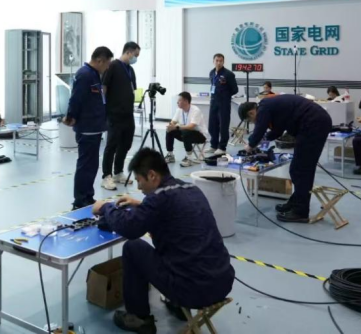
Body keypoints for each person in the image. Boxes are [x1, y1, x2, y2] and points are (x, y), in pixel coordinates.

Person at [93, 148, 234, 334]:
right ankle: (177, 306)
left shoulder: (159, 199)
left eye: (139, 180)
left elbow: (129, 228)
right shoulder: (191, 189)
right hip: (222, 282)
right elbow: (172, 213)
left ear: (152, 175)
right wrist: (140, 204)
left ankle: (139, 318)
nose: (139, 187)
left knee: (133, 247)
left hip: (192, 291)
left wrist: (105, 208)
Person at [239, 95, 332, 222]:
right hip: (314, 123)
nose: (253, 122)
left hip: (313, 124)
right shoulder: (270, 107)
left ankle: (300, 212)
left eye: (250, 121)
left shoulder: (264, 108)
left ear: (251, 113)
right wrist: (264, 139)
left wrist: (250, 146)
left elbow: (259, 129)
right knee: (297, 169)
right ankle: (295, 203)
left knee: (301, 170)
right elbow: (277, 130)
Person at [63, 46, 113, 209]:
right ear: (100, 60)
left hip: (95, 126)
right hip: (87, 127)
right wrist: (70, 116)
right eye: (107, 64)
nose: (107, 68)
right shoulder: (84, 74)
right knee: (85, 165)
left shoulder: (94, 74)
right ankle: (80, 200)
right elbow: (76, 98)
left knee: (92, 165)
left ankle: (88, 196)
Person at [101, 42, 140, 190]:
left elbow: (131, 89)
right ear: (128, 52)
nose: (136, 58)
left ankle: (118, 172)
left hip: (128, 114)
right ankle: (106, 176)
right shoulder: (113, 66)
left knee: (126, 143)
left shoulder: (130, 70)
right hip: (114, 114)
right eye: (135, 55)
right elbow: (104, 87)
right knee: (111, 145)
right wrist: (104, 109)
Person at [165, 92, 210, 167]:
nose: (177, 102)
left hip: (200, 135)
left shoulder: (195, 110)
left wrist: (177, 127)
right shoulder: (179, 110)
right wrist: (170, 125)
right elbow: (173, 121)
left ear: (186, 101)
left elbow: (191, 127)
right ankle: (170, 155)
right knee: (169, 130)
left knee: (186, 132)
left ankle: (190, 159)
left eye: (179, 100)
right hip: (186, 133)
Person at [208, 54, 238, 156]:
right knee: (212, 125)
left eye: (221, 61)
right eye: (217, 60)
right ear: (213, 61)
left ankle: (222, 147)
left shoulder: (229, 74)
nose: (219, 63)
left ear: (223, 62)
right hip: (213, 101)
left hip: (224, 103)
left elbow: (235, 89)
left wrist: (225, 95)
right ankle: (214, 145)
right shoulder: (212, 73)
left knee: (223, 125)